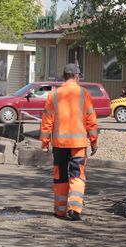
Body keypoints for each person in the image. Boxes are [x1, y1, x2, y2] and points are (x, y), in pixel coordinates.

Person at [40, 63, 99, 221]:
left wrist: (45, 142)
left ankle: (60, 211)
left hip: (59, 144)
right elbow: (91, 120)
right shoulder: (84, 94)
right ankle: (74, 209)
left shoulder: (54, 95)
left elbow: (47, 121)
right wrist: (94, 142)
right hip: (78, 144)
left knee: (60, 176)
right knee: (77, 175)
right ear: (76, 76)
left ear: (63, 76)